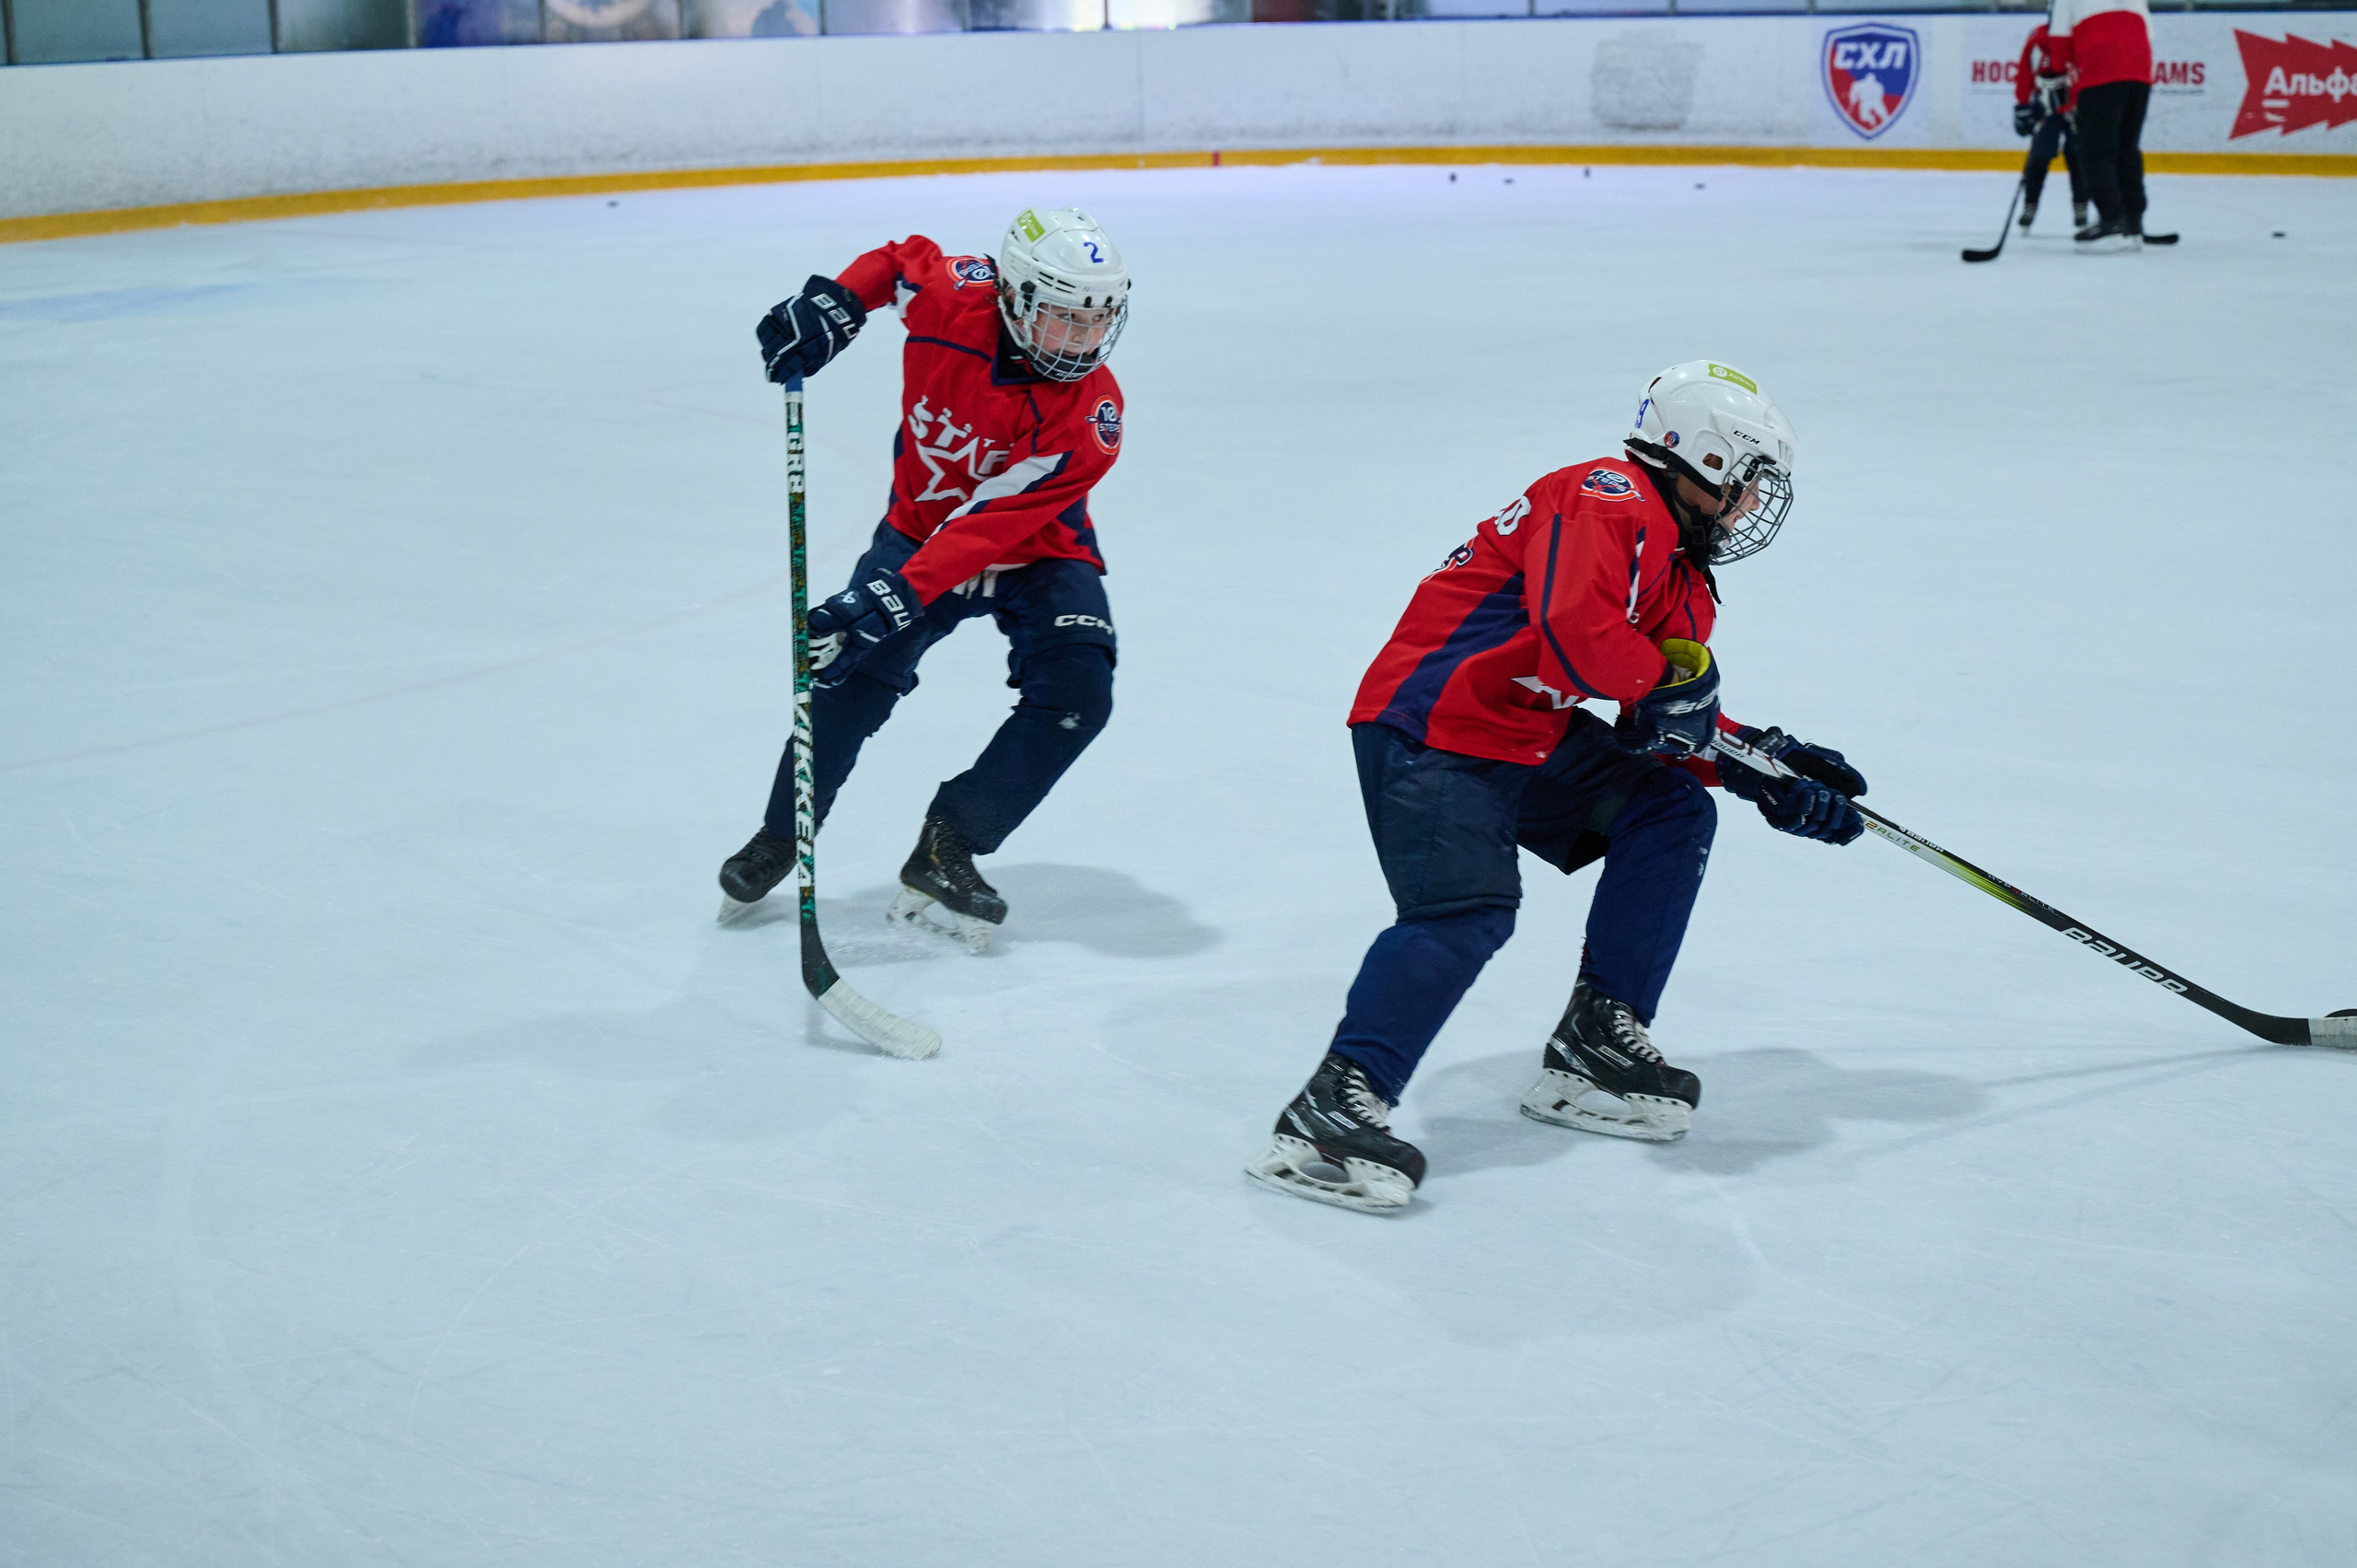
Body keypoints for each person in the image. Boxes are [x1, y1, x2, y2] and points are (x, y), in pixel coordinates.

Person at [1245, 363, 1872, 1214]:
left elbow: (1659, 721)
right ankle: (1332, 1105)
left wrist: (1764, 768)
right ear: (1707, 459)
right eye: (1750, 480)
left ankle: (1595, 1041)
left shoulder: (1685, 576)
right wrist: (1681, 698)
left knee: (1669, 807)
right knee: (1466, 910)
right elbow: (1577, 634)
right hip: (1431, 724)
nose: (1754, 503)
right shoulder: (1605, 497)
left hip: (1525, 737)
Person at [716, 207, 1131, 951]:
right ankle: (782, 834)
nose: (1080, 343)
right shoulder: (953, 303)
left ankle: (952, 839)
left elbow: (988, 524)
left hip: (1040, 551)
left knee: (1079, 691)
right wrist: (838, 302)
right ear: (1012, 296)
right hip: (916, 533)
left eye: (1093, 324)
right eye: (1060, 320)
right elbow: (900, 259)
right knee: (847, 679)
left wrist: (895, 592)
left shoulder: (1092, 413)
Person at [2044, 0, 2154, 250]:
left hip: (2101, 70)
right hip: (2140, 72)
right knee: (2127, 146)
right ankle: (2133, 220)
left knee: (2096, 150)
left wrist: (2056, 73)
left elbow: (2060, 45)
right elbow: (2147, 34)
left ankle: (2111, 218)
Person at [2011, 22, 2087, 235]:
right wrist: (2023, 104)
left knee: (2078, 158)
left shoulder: (2080, 33)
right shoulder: (2038, 37)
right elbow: (2025, 71)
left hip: (2075, 106)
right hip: (2046, 108)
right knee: (2039, 158)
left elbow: (2087, 70)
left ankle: (2081, 207)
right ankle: (2030, 206)